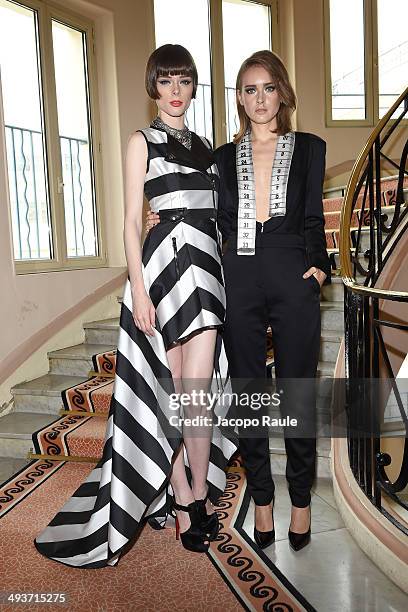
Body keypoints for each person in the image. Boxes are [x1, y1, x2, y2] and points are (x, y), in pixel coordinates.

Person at [34, 44, 237, 568]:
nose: (175, 91)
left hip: (207, 273)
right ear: (154, 87)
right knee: (167, 393)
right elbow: (130, 220)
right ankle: (187, 496)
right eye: (166, 81)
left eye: (184, 81)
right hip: (163, 275)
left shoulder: (206, 146)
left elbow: (215, 215)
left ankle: (190, 494)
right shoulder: (139, 141)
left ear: (194, 87)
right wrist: (139, 288)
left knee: (197, 397)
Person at [146, 50, 331, 552]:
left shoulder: (311, 149)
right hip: (239, 277)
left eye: (268, 88)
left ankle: (300, 502)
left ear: (282, 93)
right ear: (240, 99)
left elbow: (314, 218)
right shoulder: (222, 157)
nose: (260, 99)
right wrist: (157, 222)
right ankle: (263, 500)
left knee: (295, 393)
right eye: (249, 90)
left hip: (293, 272)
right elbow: (202, 210)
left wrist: (317, 266)